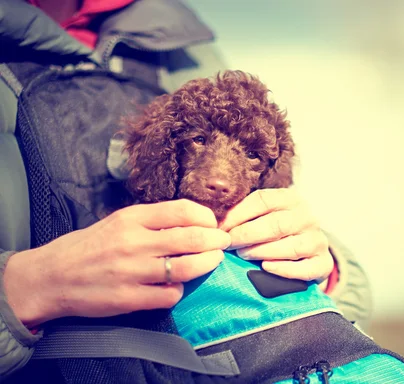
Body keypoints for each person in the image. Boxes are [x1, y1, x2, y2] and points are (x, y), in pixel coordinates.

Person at [0, 0, 373, 379]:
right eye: (198, 140)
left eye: (251, 155)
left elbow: (333, 276)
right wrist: (26, 287)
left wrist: (322, 267)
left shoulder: (186, 44)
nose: (220, 178)